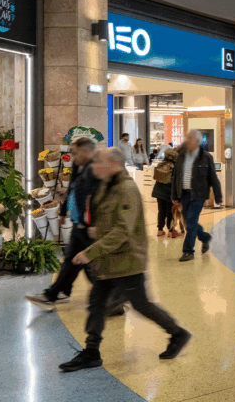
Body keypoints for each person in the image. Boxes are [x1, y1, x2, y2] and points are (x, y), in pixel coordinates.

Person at [59, 147, 190, 372]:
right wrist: (96, 231)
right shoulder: (107, 187)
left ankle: (177, 333)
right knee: (97, 304)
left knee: (142, 304)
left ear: (114, 164)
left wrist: (90, 251)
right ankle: (91, 352)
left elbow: (122, 231)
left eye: (99, 162)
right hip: (108, 260)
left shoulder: (126, 189)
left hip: (127, 261)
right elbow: (108, 221)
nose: (95, 166)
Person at [26, 138, 123, 312]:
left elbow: (99, 198)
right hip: (79, 223)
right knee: (72, 261)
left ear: (87, 151)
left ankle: (115, 297)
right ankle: (55, 294)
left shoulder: (96, 169)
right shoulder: (78, 167)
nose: (72, 155)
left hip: (89, 227)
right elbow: (72, 189)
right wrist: (63, 213)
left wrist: (95, 224)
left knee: (90, 264)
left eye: (75, 152)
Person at [172, 129, 223, 262]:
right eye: (187, 138)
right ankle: (206, 238)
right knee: (190, 223)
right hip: (184, 194)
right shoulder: (180, 156)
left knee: (191, 221)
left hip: (199, 195)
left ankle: (188, 251)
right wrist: (174, 195)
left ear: (197, 142)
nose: (187, 141)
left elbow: (213, 178)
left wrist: (218, 197)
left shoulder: (206, 157)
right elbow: (175, 177)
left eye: (190, 139)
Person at [152, 150, 180, 238]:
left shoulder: (160, 164)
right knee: (170, 212)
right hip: (169, 193)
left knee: (161, 211)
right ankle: (171, 231)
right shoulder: (175, 167)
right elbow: (177, 182)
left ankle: (160, 230)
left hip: (158, 191)